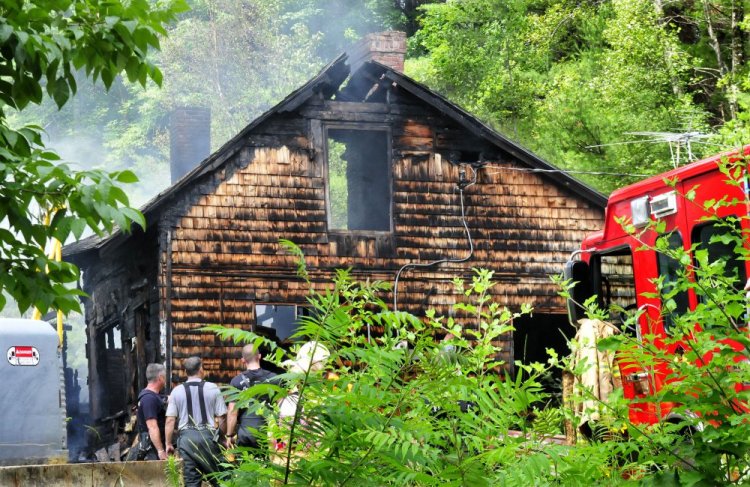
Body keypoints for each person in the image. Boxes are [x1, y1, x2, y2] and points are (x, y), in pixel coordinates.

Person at [165, 356, 228, 487]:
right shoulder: (213, 388)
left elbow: (170, 420)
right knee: (221, 479)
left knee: (191, 482)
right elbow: (222, 417)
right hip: (208, 438)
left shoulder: (176, 391)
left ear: (185, 371)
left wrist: (168, 443)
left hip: (186, 440)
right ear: (201, 369)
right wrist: (221, 437)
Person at [226, 344, 277, 449]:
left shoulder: (236, 381)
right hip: (267, 433)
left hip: (245, 432)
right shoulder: (274, 379)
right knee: (265, 465)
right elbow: (281, 408)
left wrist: (229, 435)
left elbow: (233, 412)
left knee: (245, 464)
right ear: (259, 356)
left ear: (243, 360)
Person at [134, 363, 168, 460]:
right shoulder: (149, 399)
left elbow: (162, 399)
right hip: (152, 450)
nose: (165, 380)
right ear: (160, 378)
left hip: (154, 447)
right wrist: (160, 451)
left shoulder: (150, 396)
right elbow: (152, 427)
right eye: (164, 377)